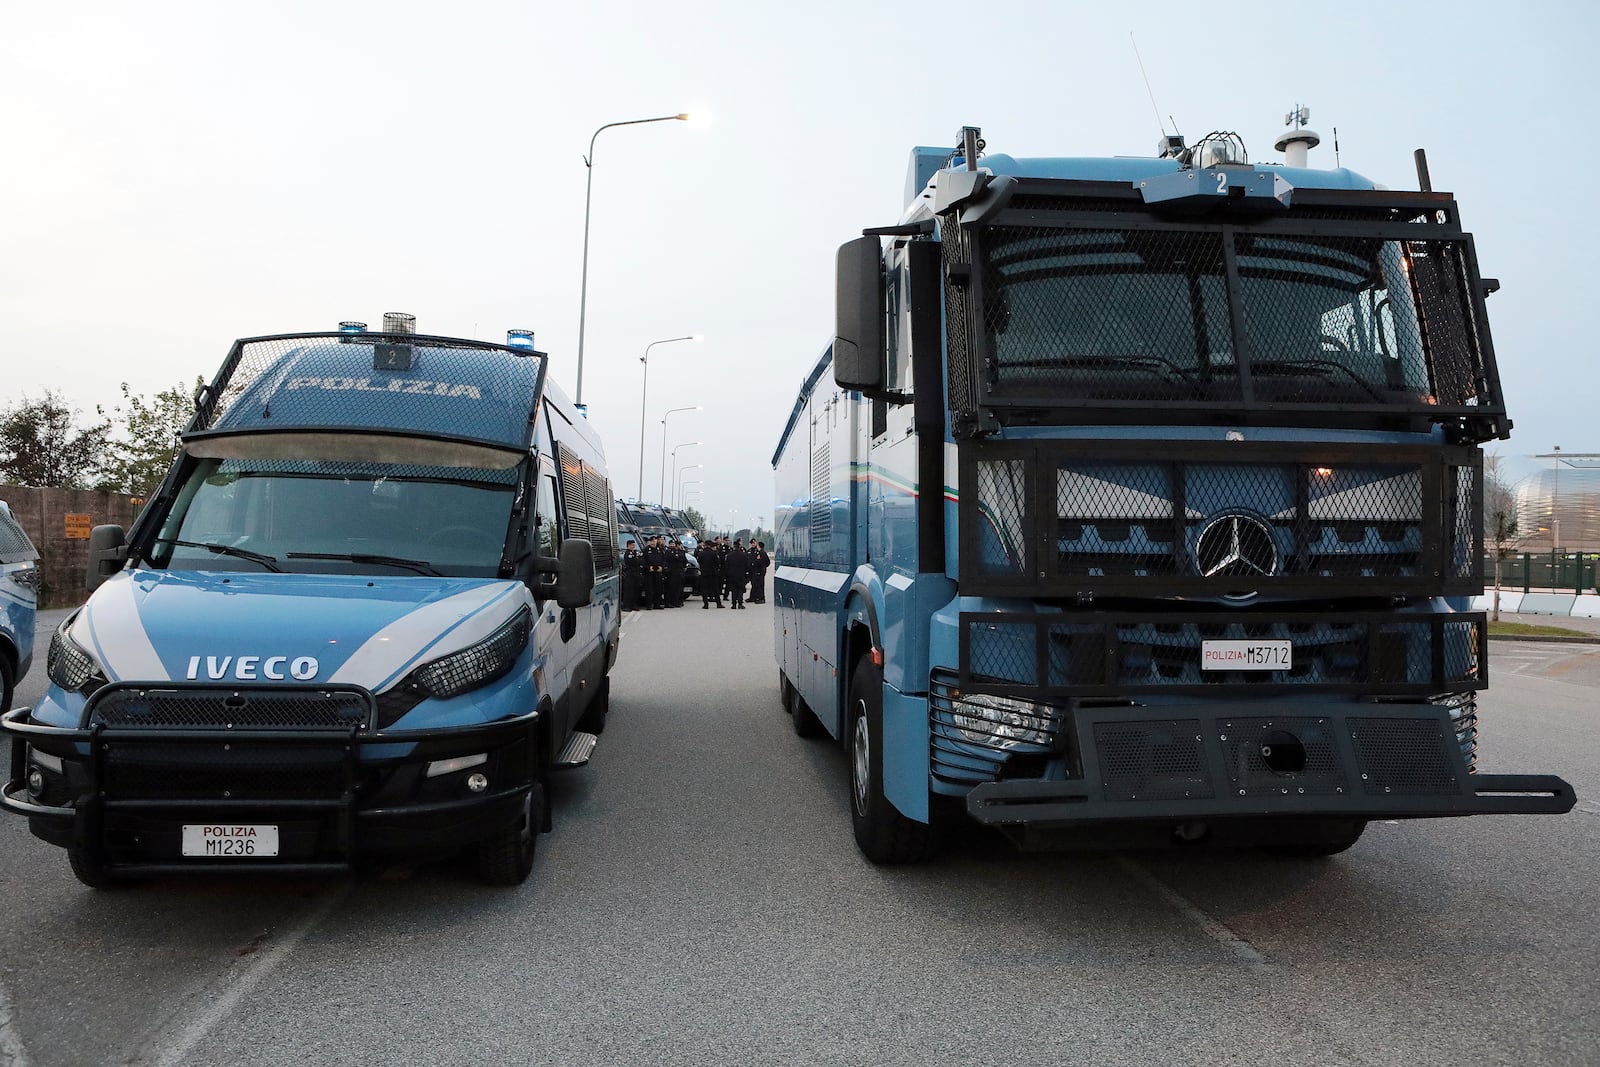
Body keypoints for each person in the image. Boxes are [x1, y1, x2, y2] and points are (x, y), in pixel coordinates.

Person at [700, 534, 725, 608]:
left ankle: (705, 604)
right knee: (715, 589)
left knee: (704, 589)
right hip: (713, 574)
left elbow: (699, 562)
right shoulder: (714, 553)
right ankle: (718, 604)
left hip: (704, 573)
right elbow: (718, 563)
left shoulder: (701, 553)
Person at [725, 539, 750, 609]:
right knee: (740, 590)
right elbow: (747, 566)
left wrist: (727, 575)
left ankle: (733, 604)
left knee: (733, 590)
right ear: (739, 547)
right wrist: (747, 575)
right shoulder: (744, 555)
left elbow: (726, 566)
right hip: (741, 575)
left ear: (734, 547)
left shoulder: (729, 555)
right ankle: (740, 603)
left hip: (732, 575)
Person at [621, 541, 643, 610]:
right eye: (631, 545)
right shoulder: (627, 553)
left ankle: (634, 605)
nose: (632, 546)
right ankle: (626, 606)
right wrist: (638, 560)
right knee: (629, 591)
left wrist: (638, 560)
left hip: (636, 574)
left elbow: (641, 560)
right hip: (630, 574)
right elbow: (634, 561)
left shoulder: (635, 553)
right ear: (627, 546)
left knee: (636, 590)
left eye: (633, 545)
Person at [666, 540, 687, 608]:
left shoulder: (678, 551)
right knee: (671, 588)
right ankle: (669, 602)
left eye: (673, 544)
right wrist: (678, 558)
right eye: (671, 544)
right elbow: (673, 558)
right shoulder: (668, 551)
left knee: (678, 588)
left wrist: (678, 557)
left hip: (679, 571)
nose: (672, 545)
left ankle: (676, 601)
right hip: (672, 572)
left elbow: (683, 559)